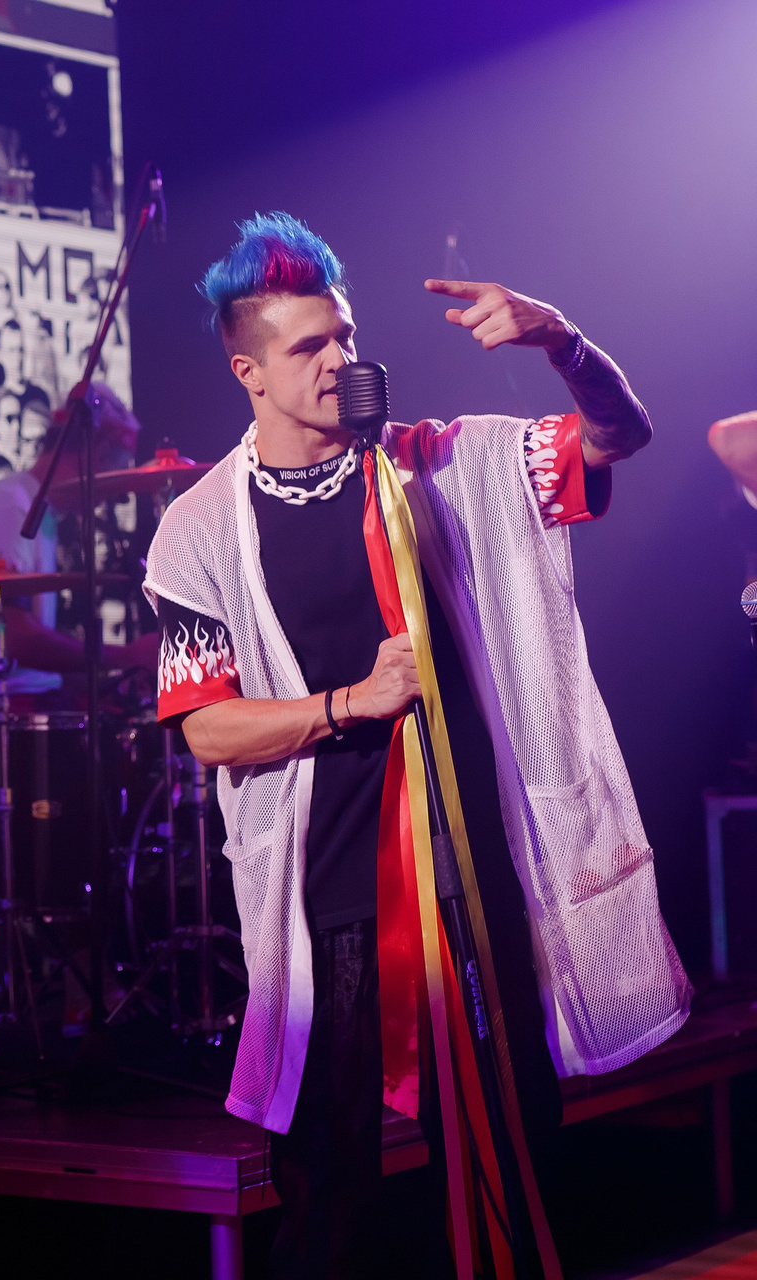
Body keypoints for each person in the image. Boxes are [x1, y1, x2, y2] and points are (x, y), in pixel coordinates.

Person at [146, 212, 690, 1276]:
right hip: (324, 905)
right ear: (248, 370)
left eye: (345, 335)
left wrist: (564, 342)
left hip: (464, 889)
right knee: (326, 1193)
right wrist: (353, 701)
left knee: (509, 1163)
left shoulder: (432, 462)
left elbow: (619, 437)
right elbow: (208, 727)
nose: (339, 359)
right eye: (310, 346)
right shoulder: (201, 530)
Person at [0, 382, 154, 720]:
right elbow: (17, 641)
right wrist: (127, 656)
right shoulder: (11, 508)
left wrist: (101, 686)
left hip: (5, 701)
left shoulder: (36, 511)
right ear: (96, 454)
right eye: (116, 475)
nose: (115, 496)